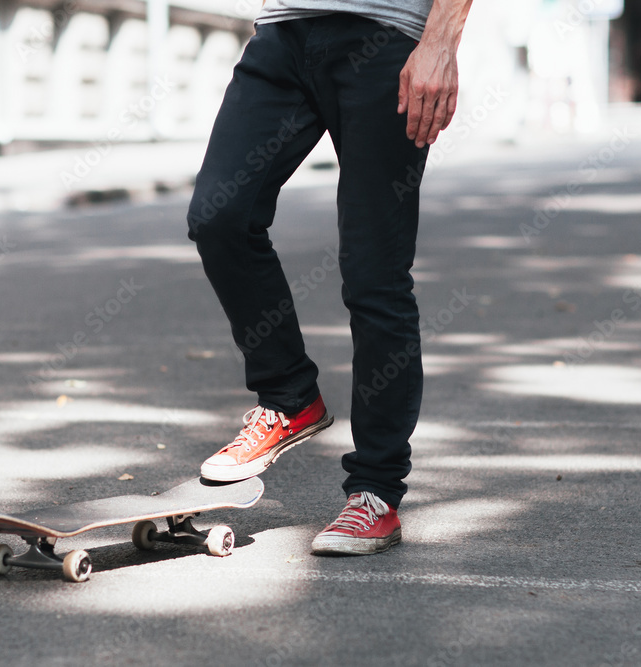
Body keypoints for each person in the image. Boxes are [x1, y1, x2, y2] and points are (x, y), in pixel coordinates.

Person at [187, 0, 474, 555]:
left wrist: (440, 42)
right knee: (219, 216)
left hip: (388, 38)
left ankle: (375, 492)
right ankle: (291, 400)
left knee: (374, 273)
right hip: (283, 33)